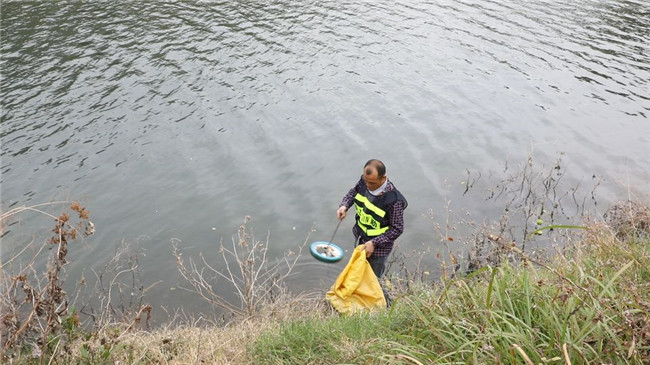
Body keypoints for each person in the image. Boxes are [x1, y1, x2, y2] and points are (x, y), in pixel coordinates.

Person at [336, 159, 407, 281]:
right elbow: (354, 192)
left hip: (379, 249)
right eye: (366, 181)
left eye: (372, 183)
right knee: (358, 276)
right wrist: (344, 205)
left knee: (373, 282)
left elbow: (397, 228)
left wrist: (374, 243)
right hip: (361, 238)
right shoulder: (365, 181)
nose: (368, 185)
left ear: (383, 178)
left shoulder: (393, 200)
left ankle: (383, 300)